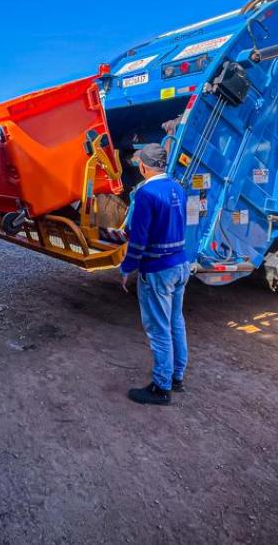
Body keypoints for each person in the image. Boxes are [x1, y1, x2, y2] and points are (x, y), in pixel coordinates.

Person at [118, 143, 191, 407]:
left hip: (158, 268)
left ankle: (161, 388)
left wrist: (127, 268)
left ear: (143, 167)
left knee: (159, 329)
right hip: (180, 264)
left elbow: (138, 239)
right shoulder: (178, 188)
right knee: (176, 323)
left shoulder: (145, 194)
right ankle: (177, 377)